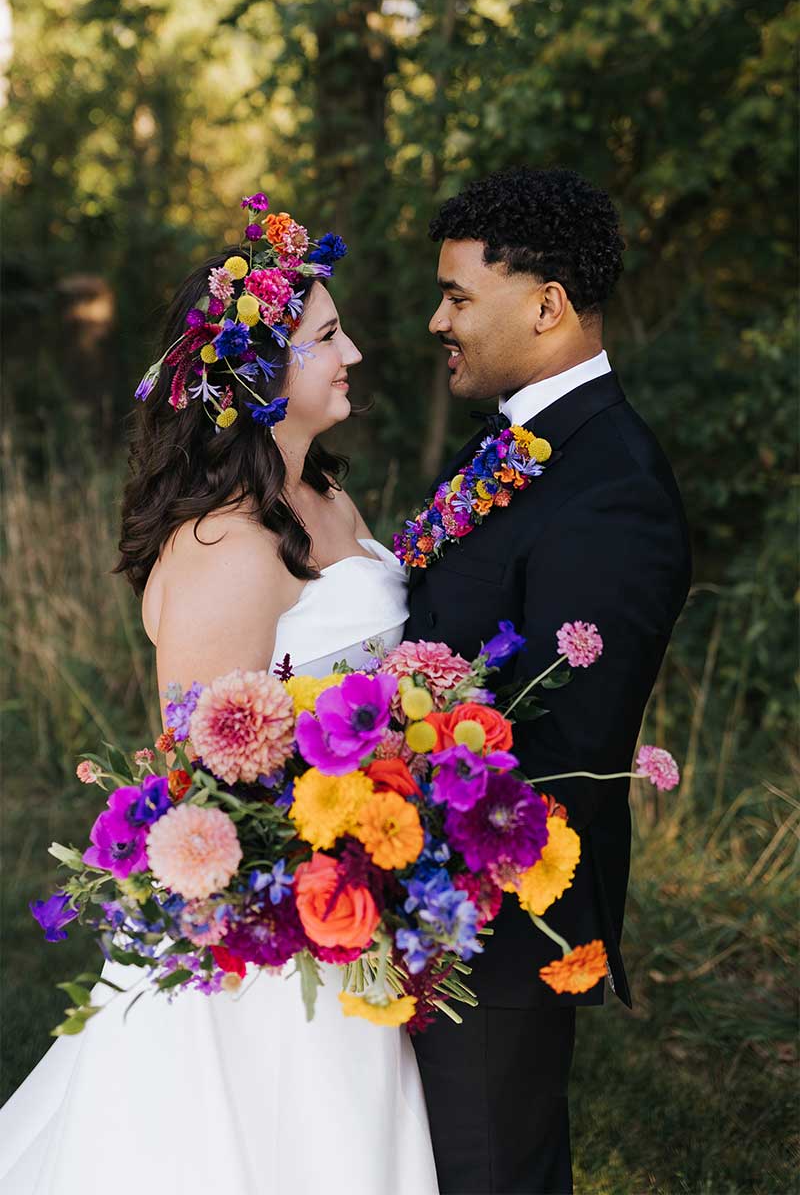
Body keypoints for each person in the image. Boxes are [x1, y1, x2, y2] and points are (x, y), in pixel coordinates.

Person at [0, 199, 438, 1195]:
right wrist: (343, 836)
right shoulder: (226, 551)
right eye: (327, 337)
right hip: (268, 930)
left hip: (356, 879)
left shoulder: (326, 498)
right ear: (261, 372)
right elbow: (204, 782)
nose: (355, 354)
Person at [403, 167, 691, 1194]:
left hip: (505, 917)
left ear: (544, 305)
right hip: (431, 894)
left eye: (455, 297)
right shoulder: (520, 446)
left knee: (493, 1172)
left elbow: (565, 743)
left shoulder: (609, 487)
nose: (437, 319)